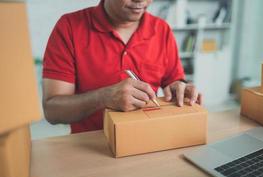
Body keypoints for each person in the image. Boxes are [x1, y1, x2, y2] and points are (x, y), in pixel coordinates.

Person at [42, 0, 201, 134]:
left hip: (150, 136)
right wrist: (104, 97)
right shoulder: (69, 27)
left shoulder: (162, 29)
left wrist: (179, 88)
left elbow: (174, 81)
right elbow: (52, 111)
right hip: (91, 145)